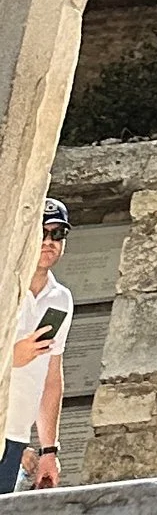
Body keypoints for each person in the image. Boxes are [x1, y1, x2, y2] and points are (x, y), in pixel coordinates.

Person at [1, 203, 71, 494]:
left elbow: (51, 378)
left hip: (15, 436)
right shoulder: (4, 286)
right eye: (41, 232)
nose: (48, 241)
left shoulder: (61, 299)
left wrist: (48, 451)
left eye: (57, 233)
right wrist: (10, 358)